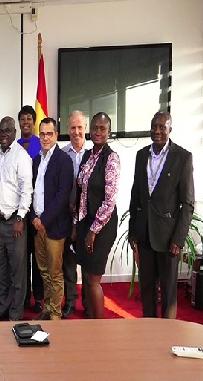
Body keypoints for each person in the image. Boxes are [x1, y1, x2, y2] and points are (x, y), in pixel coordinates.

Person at [129, 112, 195, 319]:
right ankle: (148, 335)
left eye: (162, 127)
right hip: (145, 234)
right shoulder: (141, 155)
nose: (157, 131)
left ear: (170, 129)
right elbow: (136, 196)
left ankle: (168, 336)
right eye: (154, 127)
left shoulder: (182, 157)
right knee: (147, 291)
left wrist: (178, 239)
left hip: (168, 240)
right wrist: (133, 231)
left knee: (168, 294)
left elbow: (187, 203)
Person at [73, 112, 120, 319]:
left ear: (108, 132)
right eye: (94, 128)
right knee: (85, 272)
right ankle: (90, 320)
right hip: (85, 223)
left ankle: (100, 327)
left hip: (102, 226)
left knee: (93, 278)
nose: (98, 132)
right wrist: (77, 225)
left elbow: (109, 200)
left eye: (102, 129)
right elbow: (81, 194)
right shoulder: (87, 155)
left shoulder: (112, 159)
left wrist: (93, 230)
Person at [0, 117, 33, 321]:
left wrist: (21, 217)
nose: (3, 134)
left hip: (14, 223)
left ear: (14, 132)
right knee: (1, 271)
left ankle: (15, 313)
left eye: (7, 130)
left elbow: (26, 190)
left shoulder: (21, 156)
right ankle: (3, 308)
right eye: (0, 131)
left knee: (17, 272)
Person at [31, 117, 74, 320]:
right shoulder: (36, 160)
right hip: (37, 226)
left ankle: (55, 315)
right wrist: (34, 218)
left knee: (55, 273)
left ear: (56, 135)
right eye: (42, 134)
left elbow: (62, 195)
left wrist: (44, 220)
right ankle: (48, 309)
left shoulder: (64, 161)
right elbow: (31, 192)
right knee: (44, 271)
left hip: (54, 227)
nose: (45, 138)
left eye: (49, 134)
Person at [60, 111, 93, 318]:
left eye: (80, 127)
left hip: (87, 219)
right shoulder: (62, 154)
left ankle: (89, 303)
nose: (76, 131)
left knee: (89, 264)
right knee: (68, 262)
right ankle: (70, 301)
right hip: (66, 216)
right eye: (73, 127)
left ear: (86, 129)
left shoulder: (93, 155)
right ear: (67, 130)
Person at [17, 105, 44, 313]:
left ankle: (40, 298)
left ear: (34, 122)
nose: (26, 122)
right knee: (22, 257)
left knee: (38, 257)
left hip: (37, 212)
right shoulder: (14, 145)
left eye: (29, 119)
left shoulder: (41, 144)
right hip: (19, 213)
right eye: (22, 119)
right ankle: (24, 296)